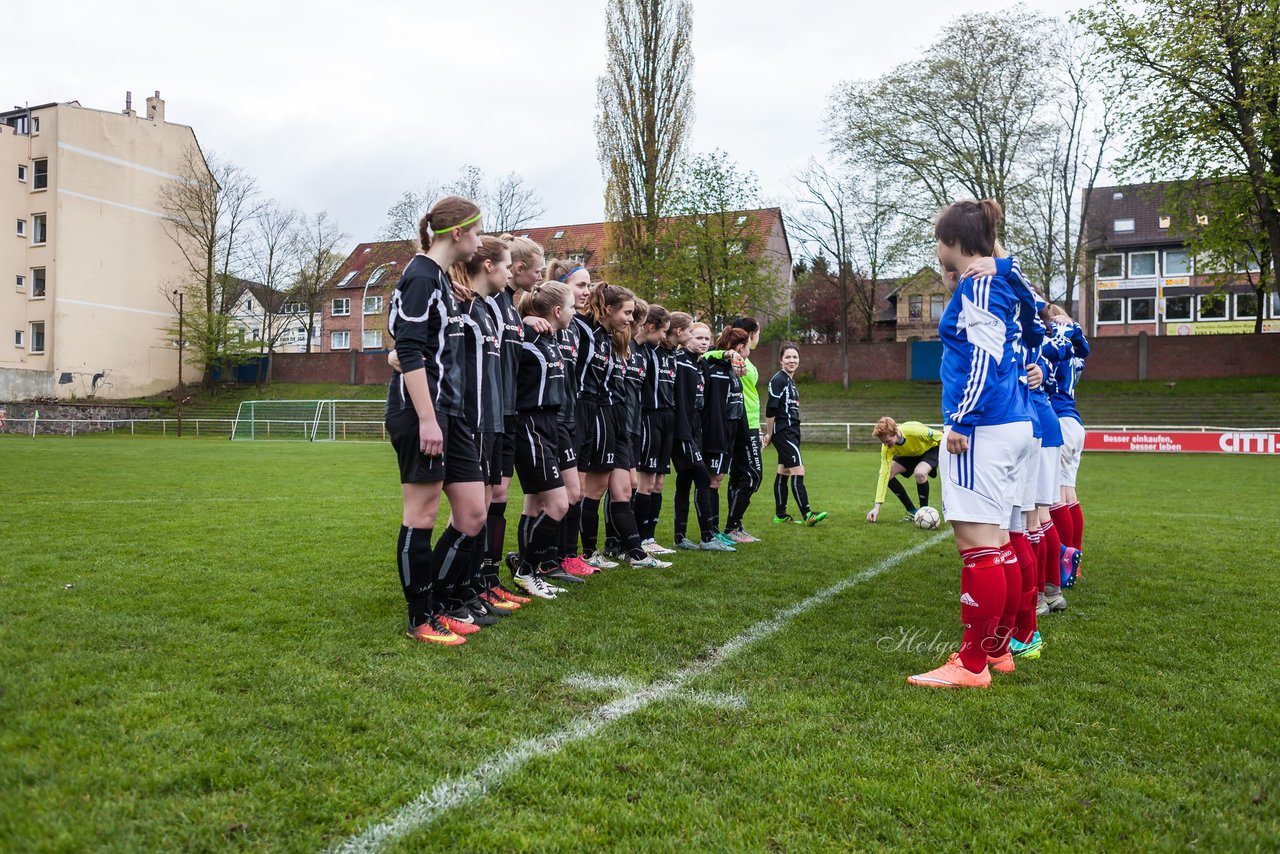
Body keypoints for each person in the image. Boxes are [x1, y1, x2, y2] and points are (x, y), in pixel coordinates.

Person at [907, 198, 1034, 689]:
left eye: (939, 238)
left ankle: (972, 664)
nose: (937, 247)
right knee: (999, 543)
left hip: (983, 427)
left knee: (978, 548)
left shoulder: (980, 284)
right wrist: (1005, 264)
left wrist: (960, 419)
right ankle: (997, 651)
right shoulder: (996, 278)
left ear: (954, 241)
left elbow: (981, 358)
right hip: (1013, 422)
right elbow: (1039, 315)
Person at [384, 196, 489, 647]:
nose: (481, 242)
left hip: (452, 413)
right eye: (479, 232)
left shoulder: (442, 281)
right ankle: (421, 618)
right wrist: (427, 420)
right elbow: (407, 351)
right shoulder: (421, 276)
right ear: (458, 233)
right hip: (421, 414)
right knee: (422, 514)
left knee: (472, 512)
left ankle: (444, 604)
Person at [575, 282, 670, 569]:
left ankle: (630, 549)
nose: (630, 321)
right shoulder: (587, 332)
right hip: (592, 416)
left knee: (621, 487)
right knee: (587, 491)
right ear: (608, 309)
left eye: (633, 316)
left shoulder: (611, 341)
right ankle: (588, 551)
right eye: (628, 314)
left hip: (616, 420)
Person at [484, 235, 546, 594]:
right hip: (488, 413)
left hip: (509, 412)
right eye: (535, 271)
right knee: (483, 501)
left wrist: (526, 326)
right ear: (516, 269)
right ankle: (476, 581)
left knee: (500, 496)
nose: (538, 279)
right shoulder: (489, 302)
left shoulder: (512, 306)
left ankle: (489, 578)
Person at [507, 282, 577, 599]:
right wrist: (522, 322)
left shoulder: (552, 338)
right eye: (572, 307)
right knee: (558, 504)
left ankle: (528, 570)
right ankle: (525, 569)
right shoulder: (526, 337)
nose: (576, 312)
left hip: (551, 424)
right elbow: (500, 329)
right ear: (558, 310)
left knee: (536, 503)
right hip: (529, 424)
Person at [544, 259, 597, 580]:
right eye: (580, 285)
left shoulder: (581, 330)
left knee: (573, 493)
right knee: (550, 497)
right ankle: (544, 560)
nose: (586, 291)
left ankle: (565, 555)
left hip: (572, 419)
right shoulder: (539, 322)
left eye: (588, 285)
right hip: (545, 420)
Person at [671, 321, 734, 551]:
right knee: (702, 478)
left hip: (696, 431)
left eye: (707, 339)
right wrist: (684, 432)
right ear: (686, 337)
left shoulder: (701, 365)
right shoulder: (680, 362)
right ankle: (707, 537)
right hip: (682, 431)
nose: (704, 342)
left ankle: (680, 537)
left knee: (684, 481)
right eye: (698, 338)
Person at [705, 318, 765, 543]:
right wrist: (728, 354)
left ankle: (735, 526)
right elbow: (710, 355)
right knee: (752, 476)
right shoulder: (731, 358)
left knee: (740, 476)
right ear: (748, 337)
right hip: (740, 424)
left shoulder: (746, 361)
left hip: (749, 424)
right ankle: (731, 527)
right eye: (757, 334)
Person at [1045, 306, 1089, 586]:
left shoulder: (1055, 346)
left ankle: (1064, 559)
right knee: (1069, 494)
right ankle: (1075, 559)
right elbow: (1083, 347)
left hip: (1058, 420)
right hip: (1074, 422)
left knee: (1054, 498)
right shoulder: (1075, 351)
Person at [764, 343, 827, 526]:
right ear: (781, 360)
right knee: (798, 470)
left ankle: (780, 515)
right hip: (783, 431)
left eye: (795, 357)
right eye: (788, 357)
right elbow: (770, 409)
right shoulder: (779, 380)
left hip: (792, 431)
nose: (792, 361)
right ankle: (807, 514)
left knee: (783, 471)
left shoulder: (790, 381)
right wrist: (770, 434)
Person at [702, 327, 750, 549]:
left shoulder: (734, 371)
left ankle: (715, 532)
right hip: (717, 434)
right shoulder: (716, 367)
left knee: (718, 481)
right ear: (740, 347)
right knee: (712, 481)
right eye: (747, 345)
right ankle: (709, 533)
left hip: (730, 434)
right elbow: (715, 408)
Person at [635, 304, 676, 554]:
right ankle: (638, 539)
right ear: (651, 327)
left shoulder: (662, 352)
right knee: (646, 483)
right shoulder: (643, 351)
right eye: (664, 331)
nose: (664, 337)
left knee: (658, 483)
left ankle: (649, 538)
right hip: (648, 419)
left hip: (666, 419)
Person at [866, 417, 941, 523]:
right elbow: (884, 474)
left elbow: (940, 436)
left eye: (887, 441)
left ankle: (924, 513)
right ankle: (912, 511)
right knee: (888, 475)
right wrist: (876, 507)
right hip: (908, 454)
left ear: (895, 432)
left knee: (920, 473)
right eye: (883, 442)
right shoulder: (887, 448)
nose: (885, 445)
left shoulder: (915, 431)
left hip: (928, 449)